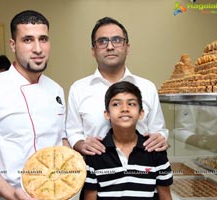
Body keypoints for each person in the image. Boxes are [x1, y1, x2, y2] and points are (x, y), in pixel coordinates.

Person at [0, 10, 66, 200]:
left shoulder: (57, 90)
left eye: (43, 39)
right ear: (13, 44)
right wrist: (11, 193)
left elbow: (60, 140)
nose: (38, 49)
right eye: (28, 40)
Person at [66, 17, 169, 156]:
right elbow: (73, 132)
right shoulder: (78, 89)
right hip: (96, 172)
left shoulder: (148, 87)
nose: (110, 47)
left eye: (117, 40)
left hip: (143, 172)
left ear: (127, 48)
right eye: (102, 41)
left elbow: (159, 130)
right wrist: (81, 144)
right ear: (93, 51)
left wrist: (160, 138)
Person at [83, 81, 173, 200]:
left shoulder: (155, 150)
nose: (124, 108)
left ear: (141, 113)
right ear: (107, 114)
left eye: (131, 104)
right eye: (116, 104)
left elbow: (166, 196)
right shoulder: (95, 153)